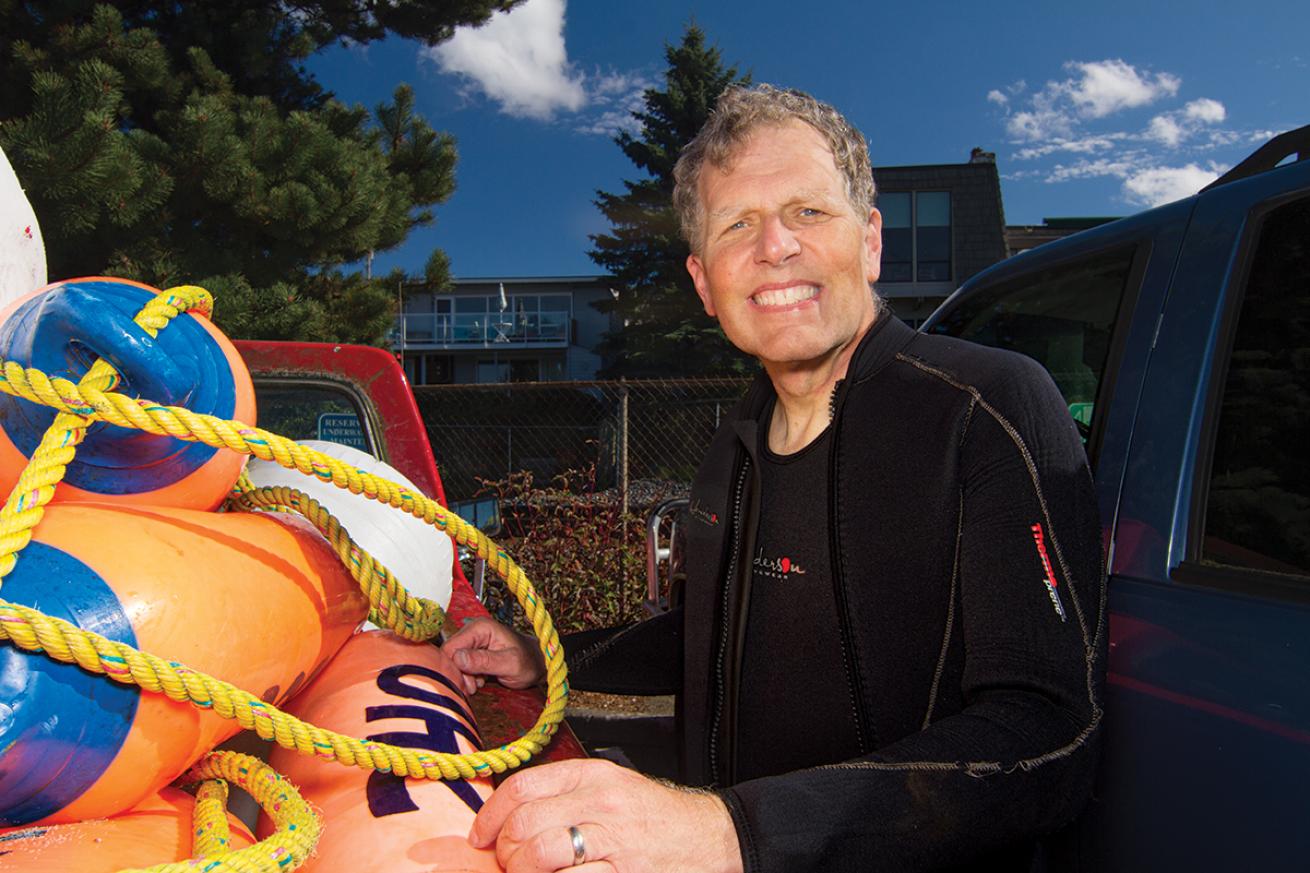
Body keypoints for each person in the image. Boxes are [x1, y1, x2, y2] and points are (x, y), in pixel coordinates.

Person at [446, 84, 1106, 872]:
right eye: (737, 225)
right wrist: (542, 656)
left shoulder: (988, 407)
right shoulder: (736, 443)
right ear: (703, 280)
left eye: (808, 212)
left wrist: (729, 832)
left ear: (870, 242)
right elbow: (707, 634)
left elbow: (1049, 738)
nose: (774, 248)